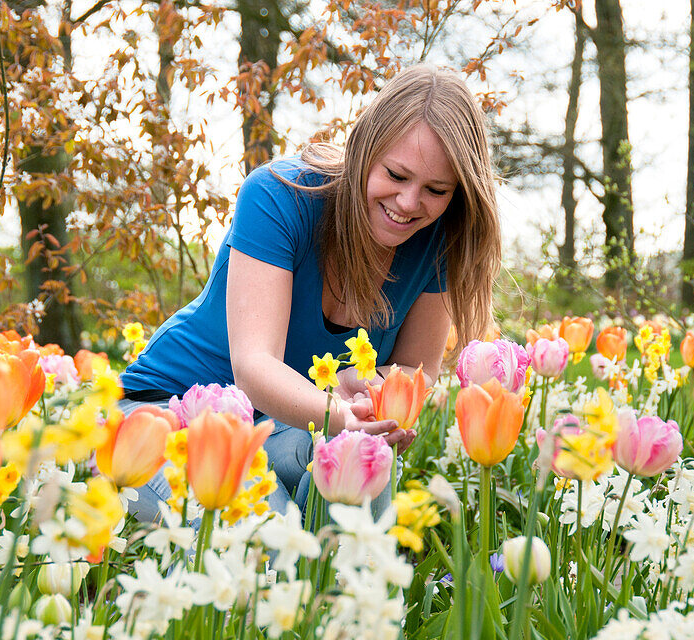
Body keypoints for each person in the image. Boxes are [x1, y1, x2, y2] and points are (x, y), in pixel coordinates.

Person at [118, 65, 502, 522]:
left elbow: (414, 369)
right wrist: (338, 413)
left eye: (435, 190)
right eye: (396, 175)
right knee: (266, 550)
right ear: (364, 148)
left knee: (360, 457)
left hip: (281, 427)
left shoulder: (437, 242)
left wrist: (363, 398)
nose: (408, 203)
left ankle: (350, 590)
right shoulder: (280, 197)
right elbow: (253, 367)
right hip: (168, 416)